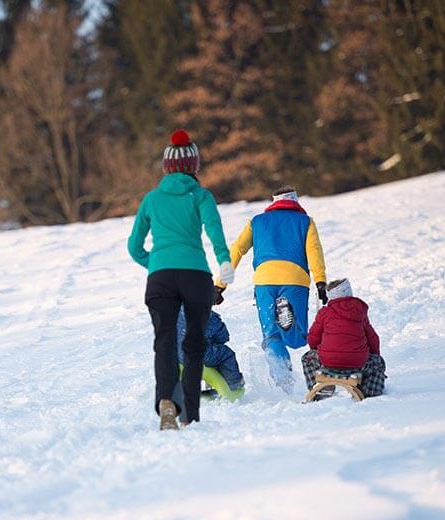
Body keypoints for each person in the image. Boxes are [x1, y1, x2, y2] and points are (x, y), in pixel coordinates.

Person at [128, 129, 234, 430]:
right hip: (195, 276)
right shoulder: (200, 196)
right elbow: (214, 230)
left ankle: (167, 402)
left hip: (160, 279)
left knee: (164, 342)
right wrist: (224, 260)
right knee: (194, 344)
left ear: (166, 167)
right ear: (194, 166)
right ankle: (189, 413)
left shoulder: (151, 199)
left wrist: (156, 264)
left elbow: (134, 246)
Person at [215, 185, 326, 393]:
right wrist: (320, 281)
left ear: (273, 201)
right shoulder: (305, 221)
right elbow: (314, 252)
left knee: (271, 335)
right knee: (298, 337)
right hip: (294, 279)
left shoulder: (256, 222)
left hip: (265, 280)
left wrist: (220, 284)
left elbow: (236, 250)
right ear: (295, 200)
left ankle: (283, 383)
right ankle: (289, 323)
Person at [302, 278, 387, 397]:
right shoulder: (359, 312)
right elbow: (372, 338)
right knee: (377, 362)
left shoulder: (325, 312)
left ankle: (319, 390)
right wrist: (374, 355)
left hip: (328, 362)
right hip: (357, 363)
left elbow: (313, 337)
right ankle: (370, 391)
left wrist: (321, 350)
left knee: (307, 358)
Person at [176, 308, 245, 393]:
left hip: (178, 356)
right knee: (226, 354)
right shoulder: (210, 316)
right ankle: (234, 384)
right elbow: (223, 337)